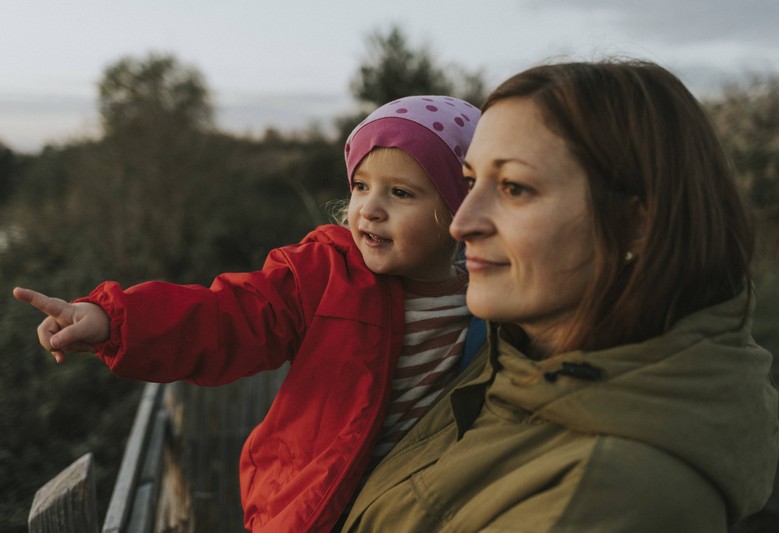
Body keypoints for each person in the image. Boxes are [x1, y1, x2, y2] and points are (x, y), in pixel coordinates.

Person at [341, 60, 779, 532]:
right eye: (470, 183)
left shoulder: (600, 499)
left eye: (514, 188)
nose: (461, 223)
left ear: (636, 223)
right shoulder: (509, 360)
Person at [13, 94, 484, 533]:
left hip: (421, 506)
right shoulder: (325, 276)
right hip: (313, 505)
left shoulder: (490, 301)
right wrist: (114, 321)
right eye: (361, 186)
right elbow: (225, 317)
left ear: (459, 210)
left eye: (401, 193)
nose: (370, 209)